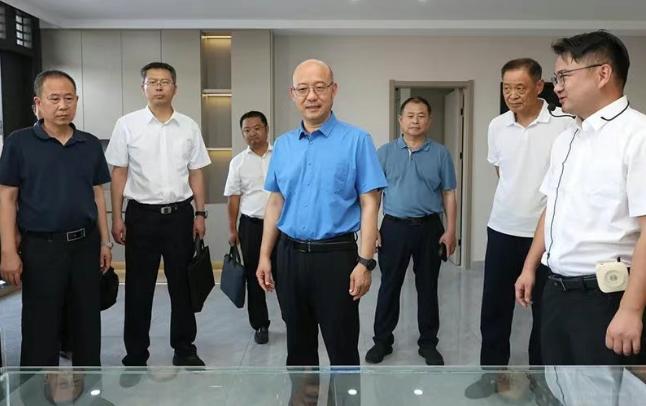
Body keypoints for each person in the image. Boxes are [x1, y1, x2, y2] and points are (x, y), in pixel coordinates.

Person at [256, 59, 386, 403]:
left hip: (336, 257)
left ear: (334, 90)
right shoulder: (283, 145)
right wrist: (265, 255)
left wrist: (365, 262)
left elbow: (370, 203)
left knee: (342, 348)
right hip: (289, 255)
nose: (311, 96)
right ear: (292, 94)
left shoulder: (357, 140)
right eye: (303, 89)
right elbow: (275, 202)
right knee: (298, 348)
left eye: (319, 87)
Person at [515, 30, 646, 365]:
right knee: (559, 384)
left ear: (602, 74)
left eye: (564, 76)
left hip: (606, 298)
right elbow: (553, 207)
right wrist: (530, 266)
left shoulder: (637, 135)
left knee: (603, 388)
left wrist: (631, 309)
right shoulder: (567, 137)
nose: (556, 86)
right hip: (556, 290)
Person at [466, 59, 572, 398]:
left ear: (539, 87)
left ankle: (541, 381)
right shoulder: (497, 126)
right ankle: (491, 374)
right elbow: (502, 172)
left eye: (520, 88)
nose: (512, 95)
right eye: (507, 88)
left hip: (547, 235)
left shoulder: (564, 124)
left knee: (544, 310)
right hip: (502, 228)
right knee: (494, 308)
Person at [0, 70, 112, 367]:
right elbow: (7, 198)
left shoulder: (89, 144)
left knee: (87, 323)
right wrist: (8, 251)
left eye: (69, 98)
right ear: (38, 103)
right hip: (41, 247)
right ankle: (35, 390)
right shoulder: (19, 142)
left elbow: (97, 194)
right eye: (54, 99)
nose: (63, 105)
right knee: (40, 325)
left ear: (77, 101)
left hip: (85, 244)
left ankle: (90, 388)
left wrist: (105, 242)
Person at [105, 62, 211, 368]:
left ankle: (184, 347)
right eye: (152, 82)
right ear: (143, 88)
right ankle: (136, 352)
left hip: (180, 216)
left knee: (182, 285)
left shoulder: (189, 126)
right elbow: (119, 172)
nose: (159, 86)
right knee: (139, 287)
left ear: (175, 88)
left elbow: (196, 172)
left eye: (165, 81)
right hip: (141, 217)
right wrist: (117, 217)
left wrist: (200, 213)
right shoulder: (127, 124)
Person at [364, 96, 457, 366]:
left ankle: (428, 343)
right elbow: (374, 195)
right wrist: (373, 229)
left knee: (428, 287)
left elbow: (449, 193)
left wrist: (451, 230)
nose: (415, 120)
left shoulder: (440, 153)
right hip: (393, 227)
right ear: (400, 120)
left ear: (429, 120)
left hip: (430, 228)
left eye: (421, 115)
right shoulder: (384, 152)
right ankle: (382, 341)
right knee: (389, 286)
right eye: (410, 115)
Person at [224, 110, 281, 344]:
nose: (252, 134)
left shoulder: (281, 155)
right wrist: (232, 229)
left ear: (266, 129)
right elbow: (233, 199)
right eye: (246, 130)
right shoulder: (238, 162)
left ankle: (293, 319)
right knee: (253, 275)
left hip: (283, 226)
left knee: (286, 274)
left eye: (256, 128)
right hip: (251, 226)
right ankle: (260, 324)